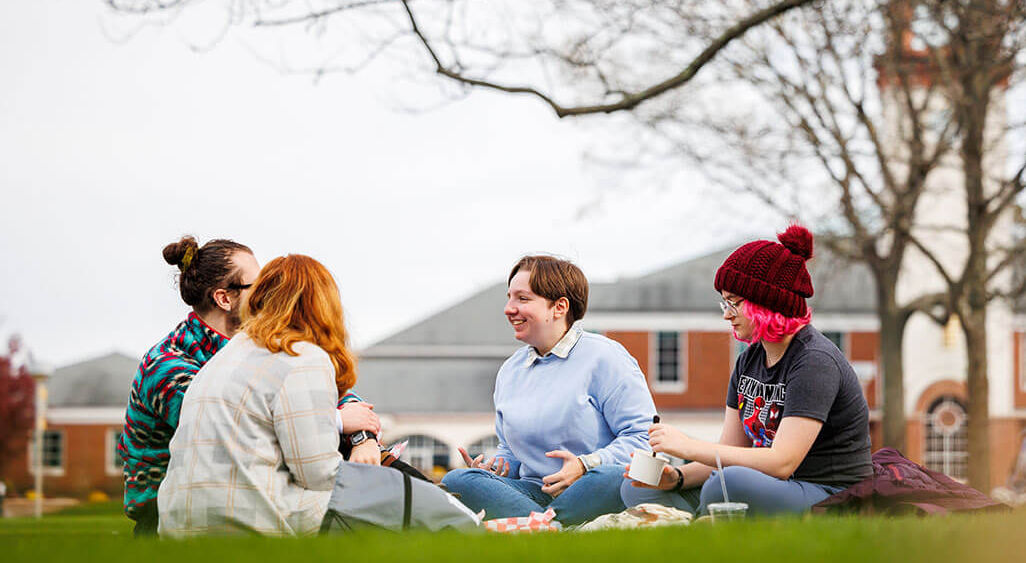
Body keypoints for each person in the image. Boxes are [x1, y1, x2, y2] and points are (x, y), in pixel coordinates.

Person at [157, 254, 477, 536]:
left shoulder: (224, 358)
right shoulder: (301, 356)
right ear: (322, 305)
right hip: (254, 522)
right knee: (408, 496)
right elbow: (319, 475)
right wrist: (370, 467)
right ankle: (475, 530)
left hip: (180, 524)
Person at [120, 237, 381, 536]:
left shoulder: (259, 348)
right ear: (224, 298)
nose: (268, 291)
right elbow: (235, 433)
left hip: (252, 496)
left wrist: (363, 437)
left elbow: (333, 395)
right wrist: (337, 421)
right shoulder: (166, 364)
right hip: (172, 517)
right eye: (257, 284)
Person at [622, 224, 873, 517]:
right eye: (724, 302)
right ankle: (697, 517)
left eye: (734, 303)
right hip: (769, 485)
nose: (726, 314)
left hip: (825, 493)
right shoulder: (748, 361)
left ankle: (696, 520)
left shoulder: (814, 361)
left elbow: (782, 463)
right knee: (638, 486)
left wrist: (688, 446)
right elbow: (729, 451)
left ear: (767, 301)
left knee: (729, 483)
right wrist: (677, 478)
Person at [440, 255, 655, 526]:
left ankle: (535, 527)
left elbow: (643, 439)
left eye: (522, 299)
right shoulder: (510, 370)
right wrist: (495, 469)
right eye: (509, 298)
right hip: (531, 492)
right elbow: (510, 450)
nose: (509, 308)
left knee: (613, 477)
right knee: (458, 480)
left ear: (559, 307)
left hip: (591, 488)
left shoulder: (606, 357)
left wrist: (585, 464)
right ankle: (553, 527)